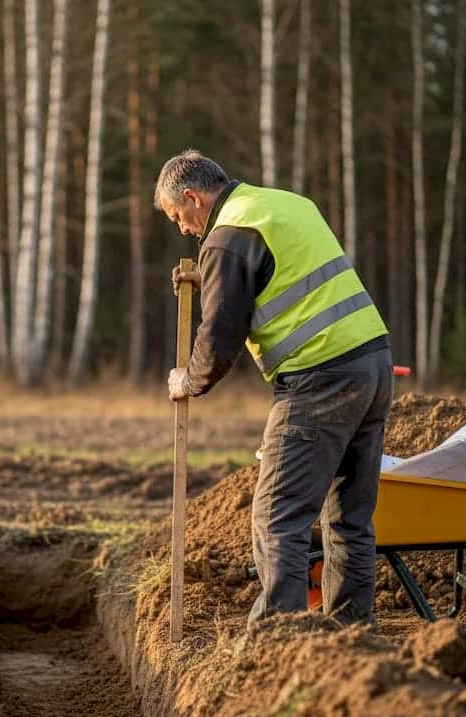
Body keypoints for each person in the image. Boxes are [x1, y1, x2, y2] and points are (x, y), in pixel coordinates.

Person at [154, 149, 393, 627]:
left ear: (192, 197)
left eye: (179, 216)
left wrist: (188, 380)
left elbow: (221, 335)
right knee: (349, 520)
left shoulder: (226, 238)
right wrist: (208, 276)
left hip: (318, 378)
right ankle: (351, 638)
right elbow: (276, 278)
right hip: (372, 365)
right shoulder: (283, 205)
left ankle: (274, 643)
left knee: (277, 513)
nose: (182, 228)